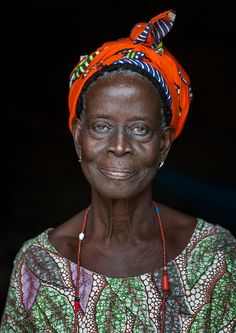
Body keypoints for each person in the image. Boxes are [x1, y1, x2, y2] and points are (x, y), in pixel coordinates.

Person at [1, 9, 235, 333]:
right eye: (101, 126)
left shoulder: (214, 255)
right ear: (78, 136)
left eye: (140, 129)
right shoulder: (38, 264)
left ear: (163, 143)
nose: (120, 146)